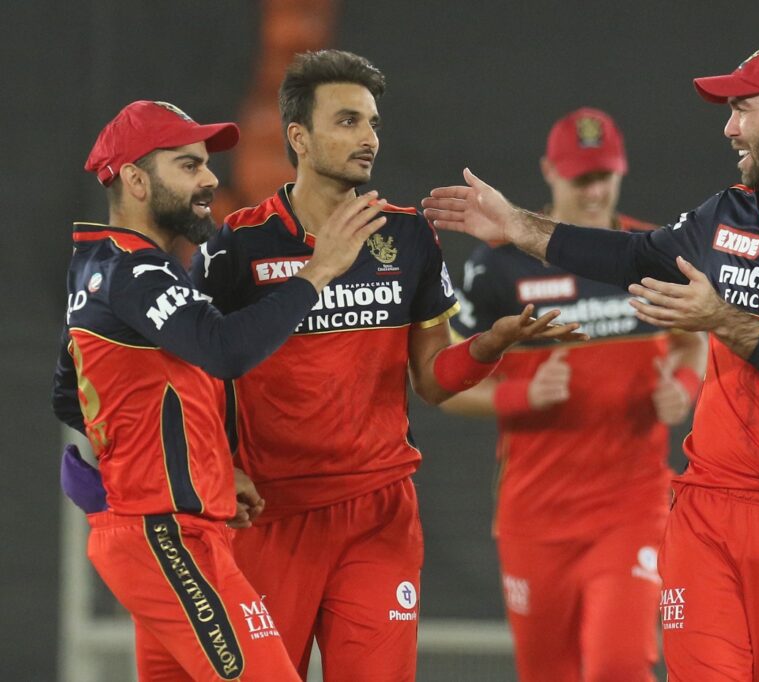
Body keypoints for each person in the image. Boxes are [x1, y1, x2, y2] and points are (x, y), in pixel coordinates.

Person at [424, 43, 759, 681]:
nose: (729, 127)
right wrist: (518, 228)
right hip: (706, 506)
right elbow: (633, 256)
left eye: (743, 109)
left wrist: (718, 322)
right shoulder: (729, 212)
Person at [187, 50, 583, 682]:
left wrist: (490, 345)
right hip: (268, 516)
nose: (368, 137)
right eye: (346, 121)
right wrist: (223, 463)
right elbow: (196, 373)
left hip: (378, 516)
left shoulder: (408, 238)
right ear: (298, 137)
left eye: (371, 122)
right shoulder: (237, 246)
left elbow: (431, 378)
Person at [51, 99, 391, 681]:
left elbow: (70, 395)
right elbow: (226, 349)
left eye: (206, 163)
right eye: (187, 165)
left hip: (171, 533)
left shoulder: (104, 267)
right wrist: (319, 270)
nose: (210, 178)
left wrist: (206, 467)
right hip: (167, 539)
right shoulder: (136, 272)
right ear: (135, 179)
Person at [440, 107, 705, 682]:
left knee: (617, 666)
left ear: (622, 170)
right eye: (581, 177)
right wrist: (522, 397)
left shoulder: (651, 254)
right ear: (549, 172)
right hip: (535, 516)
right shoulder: (498, 265)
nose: (594, 190)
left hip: (631, 507)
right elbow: (444, 380)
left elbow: (693, 342)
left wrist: (682, 387)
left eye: (604, 175)